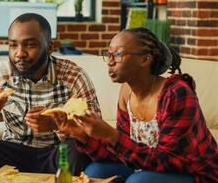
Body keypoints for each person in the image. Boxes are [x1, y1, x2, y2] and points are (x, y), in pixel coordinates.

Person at [53, 27, 218, 183]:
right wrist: (83, 135)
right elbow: (122, 154)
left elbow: (166, 161)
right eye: (108, 54)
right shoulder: (126, 92)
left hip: (193, 174)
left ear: (145, 59)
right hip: (146, 166)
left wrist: (112, 135)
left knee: (138, 181)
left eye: (118, 54)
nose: (110, 62)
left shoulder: (176, 94)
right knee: (95, 172)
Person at [0, 13, 100, 176]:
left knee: (78, 150)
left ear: (49, 47)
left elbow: (95, 136)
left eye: (30, 45)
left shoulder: (74, 76)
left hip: (57, 154)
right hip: (12, 155)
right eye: (13, 45)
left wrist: (56, 124)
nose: (19, 53)